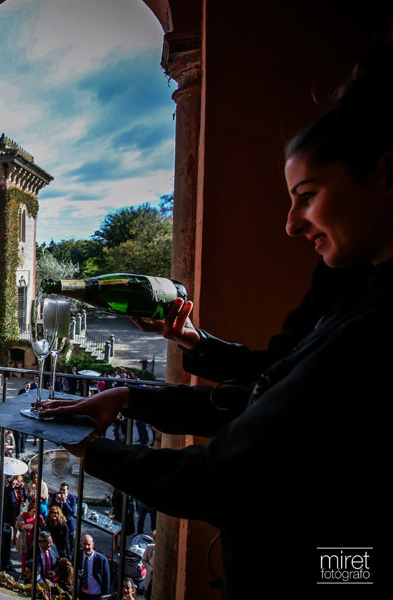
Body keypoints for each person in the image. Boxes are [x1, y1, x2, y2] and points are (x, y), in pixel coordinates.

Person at [39, 48, 391, 598]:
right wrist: (144, 385)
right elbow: (269, 381)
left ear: (386, 173)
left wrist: (93, 449)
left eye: (307, 197)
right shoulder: (349, 278)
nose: (291, 224)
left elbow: (225, 476)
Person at [76, 534, 110, 600]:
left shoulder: (101, 560)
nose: (86, 547)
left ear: (93, 545)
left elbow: (106, 579)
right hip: (83, 594)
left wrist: (105, 597)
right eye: (84, 544)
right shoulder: (78, 555)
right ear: (81, 544)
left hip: (97, 595)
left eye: (88, 544)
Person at [51, 482, 78, 553]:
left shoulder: (72, 498)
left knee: (69, 541)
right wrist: (57, 500)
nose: (61, 491)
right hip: (58, 523)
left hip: (68, 523)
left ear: (67, 490)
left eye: (64, 490)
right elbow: (50, 507)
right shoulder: (55, 495)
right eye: (60, 489)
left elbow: (72, 512)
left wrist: (65, 502)